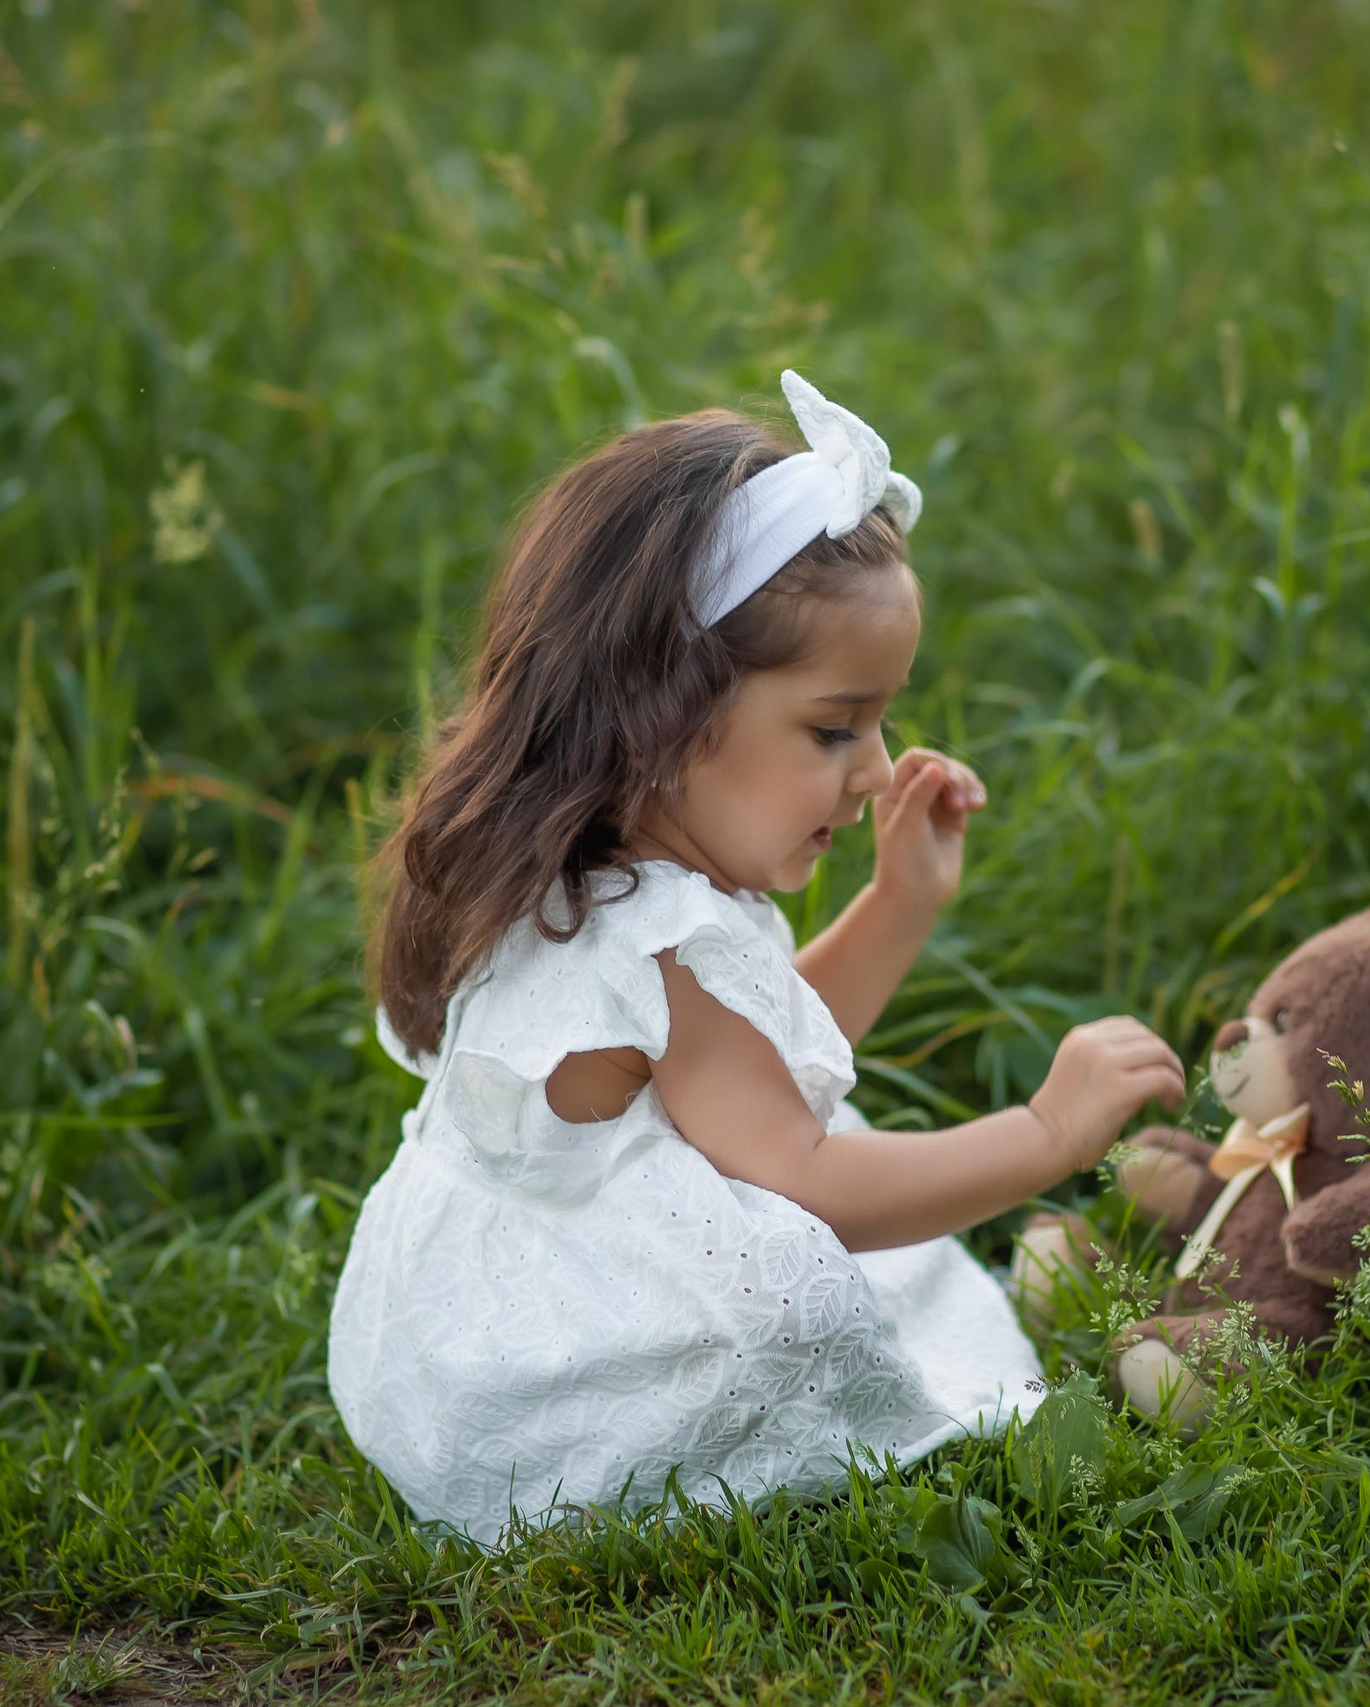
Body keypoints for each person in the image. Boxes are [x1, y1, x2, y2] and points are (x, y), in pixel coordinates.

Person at [327, 370, 1185, 1549]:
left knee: (848, 1257)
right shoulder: (657, 935)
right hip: (561, 1364)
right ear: (661, 716)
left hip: (448, 1329)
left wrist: (898, 902)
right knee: (813, 1294)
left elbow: (751, 1060)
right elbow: (802, 1175)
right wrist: (1045, 1136)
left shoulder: (610, 879)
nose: (877, 768)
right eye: (834, 728)